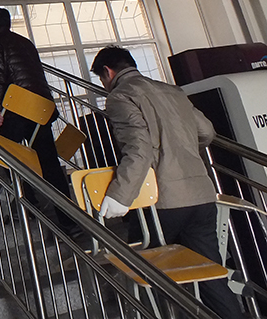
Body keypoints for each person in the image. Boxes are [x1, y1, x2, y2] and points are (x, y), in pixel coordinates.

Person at [90, 46, 245, 319]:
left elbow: (138, 148)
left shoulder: (120, 96)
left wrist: (119, 197)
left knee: (147, 276)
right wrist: (181, 150)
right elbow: (206, 131)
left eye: (101, 79)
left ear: (108, 72)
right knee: (210, 276)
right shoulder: (173, 91)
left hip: (164, 203)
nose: (104, 84)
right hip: (201, 196)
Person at [0, 7, 77, 234]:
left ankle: (29, 203)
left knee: (6, 156)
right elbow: (38, 75)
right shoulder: (25, 42)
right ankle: (69, 220)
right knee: (50, 164)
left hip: (15, 110)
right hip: (39, 108)